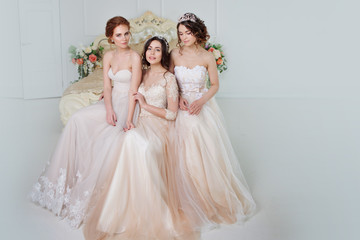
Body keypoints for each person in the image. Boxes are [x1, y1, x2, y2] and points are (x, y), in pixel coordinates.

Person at [29, 16, 142, 228]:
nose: (124, 38)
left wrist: (127, 120)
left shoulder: (135, 57)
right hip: (111, 102)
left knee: (111, 137)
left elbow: (133, 92)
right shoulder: (108, 56)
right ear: (111, 38)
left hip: (127, 105)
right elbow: (107, 87)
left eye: (126, 33)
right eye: (119, 35)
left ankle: (93, 190)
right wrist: (108, 109)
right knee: (76, 119)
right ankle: (60, 184)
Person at [82, 36, 196, 240]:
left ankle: (150, 209)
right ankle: (122, 210)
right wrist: (106, 92)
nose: (152, 53)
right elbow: (127, 87)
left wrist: (145, 105)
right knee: (127, 140)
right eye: (149, 49)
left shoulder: (168, 79)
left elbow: (172, 114)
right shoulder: (142, 74)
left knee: (137, 143)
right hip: (141, 123)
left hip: (160, 127)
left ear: (163, 54)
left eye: (157, 50)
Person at [169, 12, 257, 231]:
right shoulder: (174, 54)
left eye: (188, 32)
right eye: (180, 33)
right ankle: (184, 189)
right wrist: (179, 97)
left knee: (197, 128)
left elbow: (215, 85)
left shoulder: (207, 57)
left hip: (200, 102)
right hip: (179, 103)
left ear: (197, 33)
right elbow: (168, 80)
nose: (184, 37)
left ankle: (204, 191)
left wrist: (200, 101)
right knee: (184, 128)